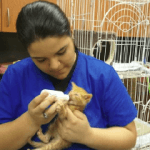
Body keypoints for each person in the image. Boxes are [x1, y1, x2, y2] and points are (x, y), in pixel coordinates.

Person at [0, 1, 137, 150]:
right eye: (41, 59)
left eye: (61, 52)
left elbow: (129, 137)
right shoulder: (14, 76)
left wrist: (88, 135)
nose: (54, 65)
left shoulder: (102, 75)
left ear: (71, 32)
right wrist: (30, 120)